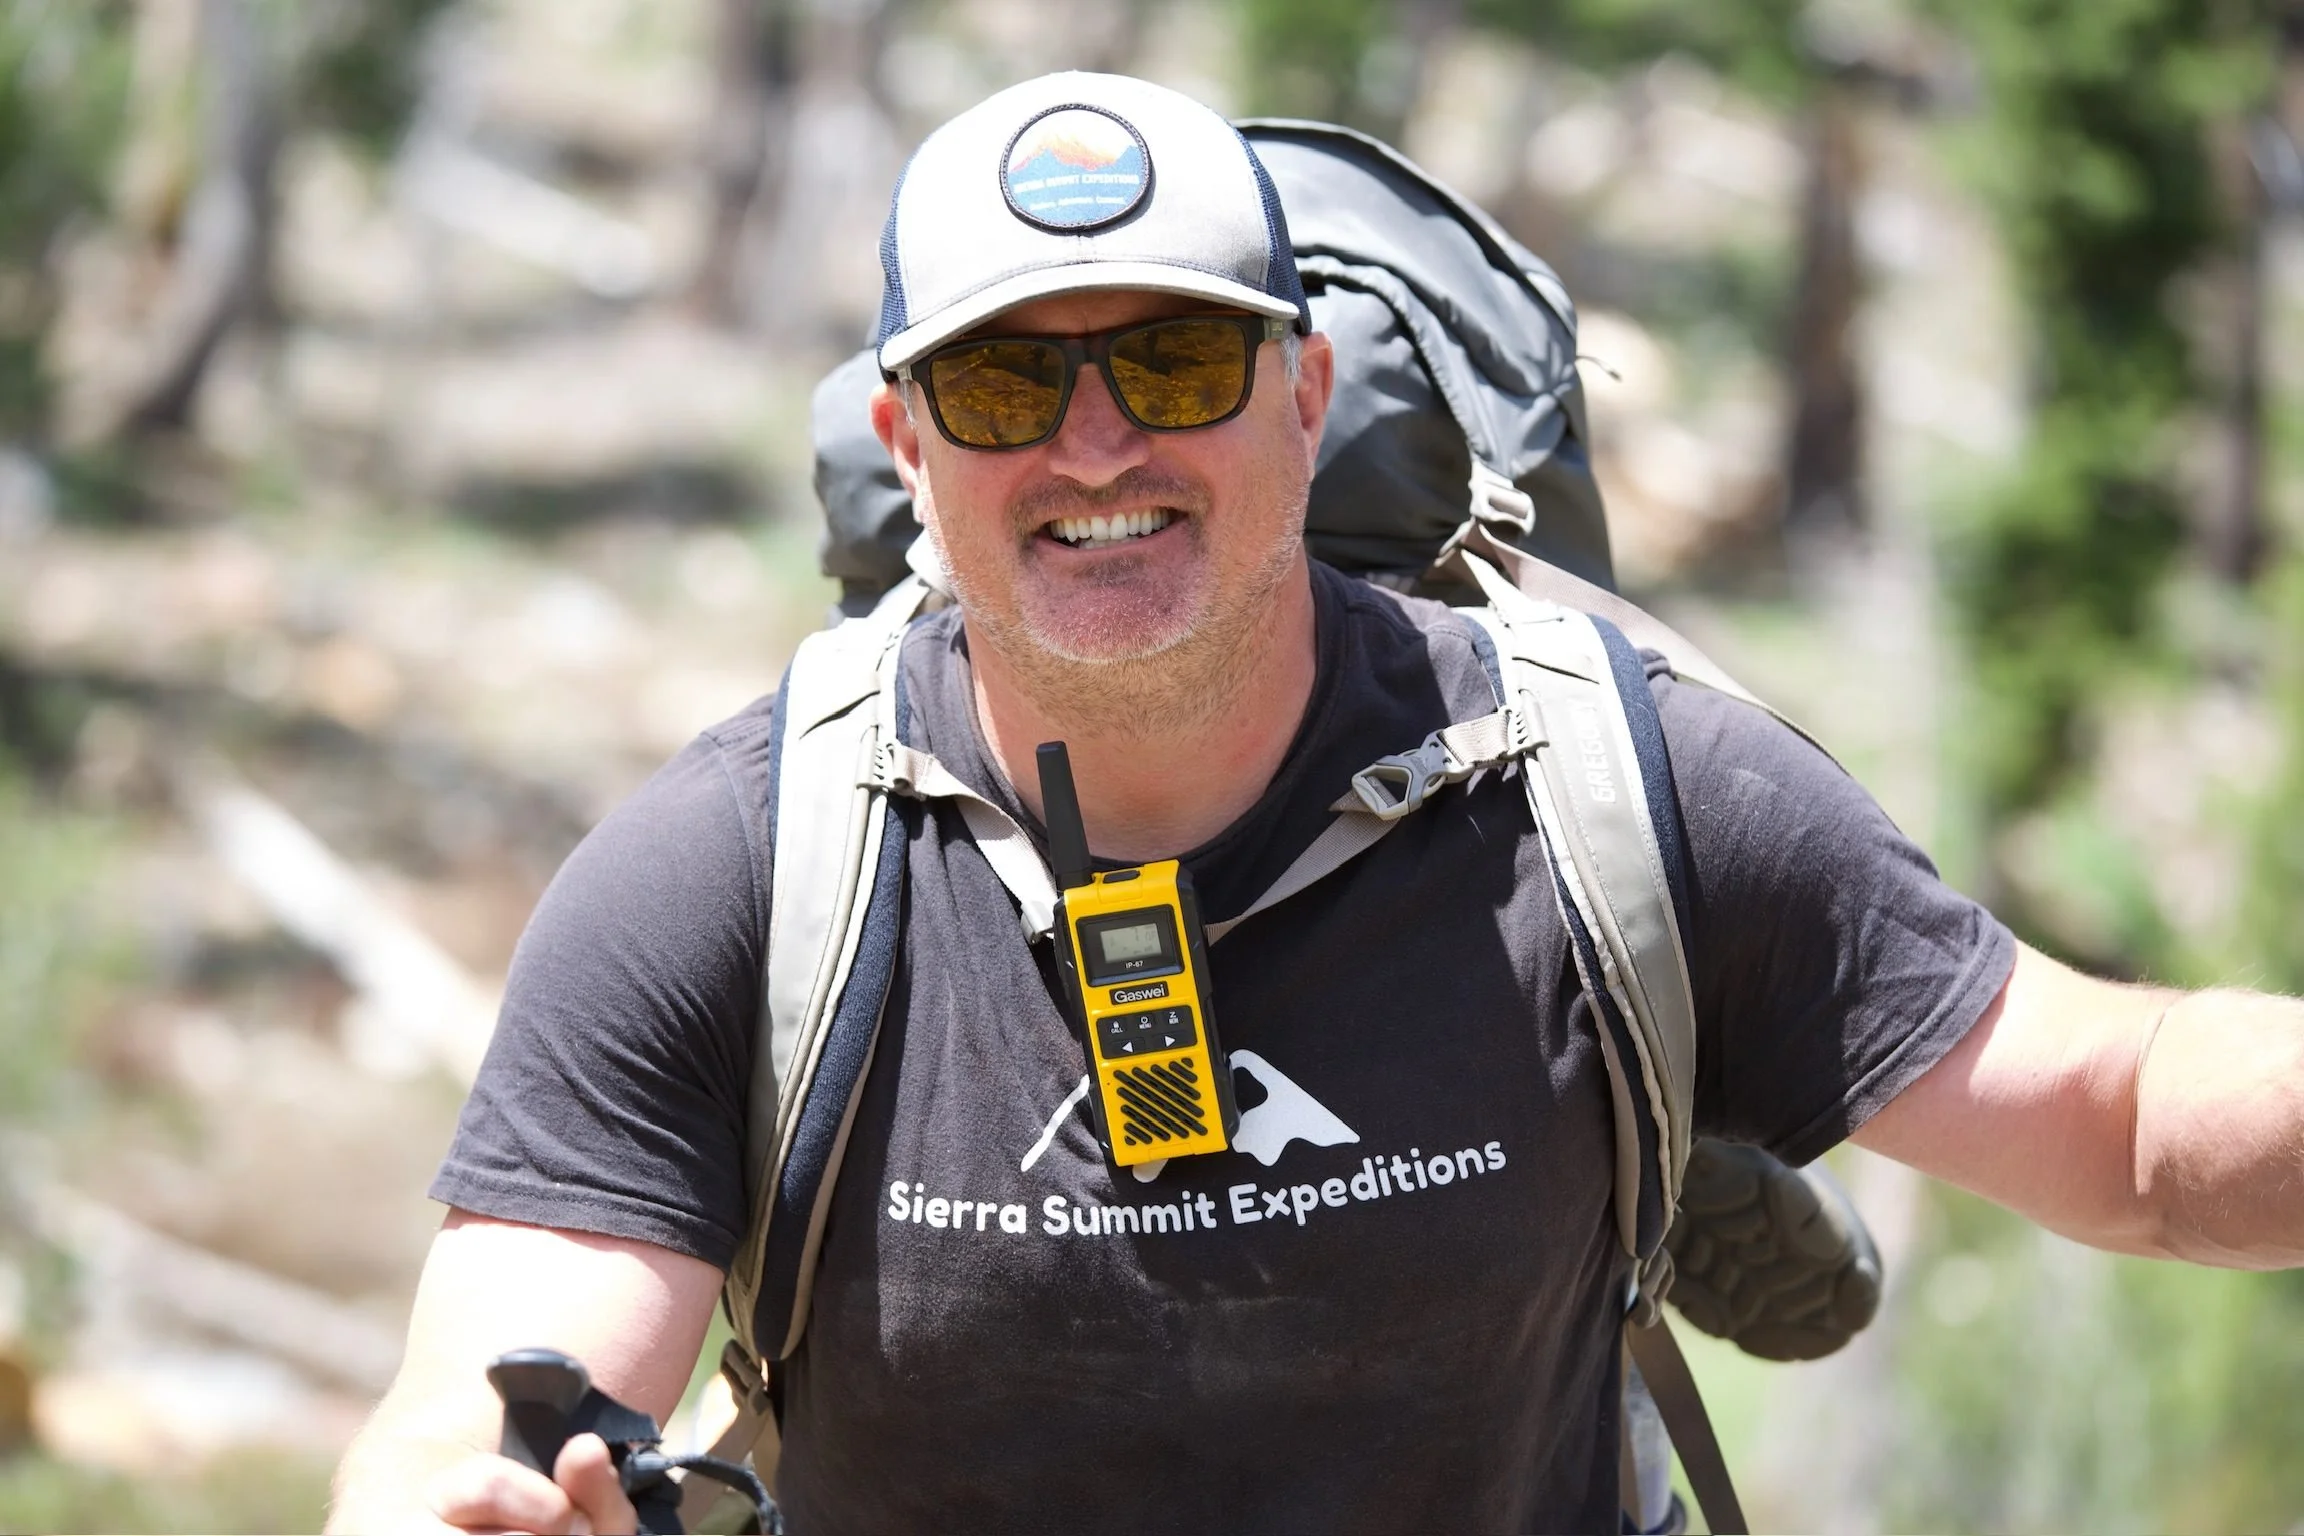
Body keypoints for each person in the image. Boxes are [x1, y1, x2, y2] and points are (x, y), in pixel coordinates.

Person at [328, 71, 2304, 1534]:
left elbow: (2122, 1125)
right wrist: (465, 1503)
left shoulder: (1611, 784)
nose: (1097, 441)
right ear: (906, 444)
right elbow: (491, 1387)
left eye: (1172, 358)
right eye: (1011, 388)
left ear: (1298, 391)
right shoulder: (747, 867)